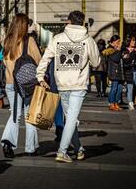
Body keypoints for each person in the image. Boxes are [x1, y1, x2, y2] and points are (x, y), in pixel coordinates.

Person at [36, 11, 100, 163]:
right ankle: (62, 151)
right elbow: (96, 62)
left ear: (69, 22)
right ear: (82, 22)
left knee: (70, 119)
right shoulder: (88, 40)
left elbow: (46, 58)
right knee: (71, 119)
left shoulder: (58, 38)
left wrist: (40, 75)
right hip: (79, 84)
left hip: (62, 84)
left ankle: (78, 149)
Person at [0, 13, 41, 158]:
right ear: (24, 25)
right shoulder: (28, 41)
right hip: (27, 84)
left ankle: (7, 142)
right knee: (30, 115)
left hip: (11, 83)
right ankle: (30, 148)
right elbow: (38, 60)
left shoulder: (7, 41)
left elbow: (4, 61)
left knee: (15, 115)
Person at [103, 35, 124, 111]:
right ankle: (111, 103)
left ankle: (116, 103)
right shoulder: (110, 49)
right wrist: (119, 50)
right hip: (113, 71)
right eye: (117, 42)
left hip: (119, 72)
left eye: (119, 41)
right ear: (113, 42)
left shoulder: (117, 49)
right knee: (114, 88)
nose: (119, 43)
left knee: (119, 89)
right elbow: (116, 59)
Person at [122, 36, 136, 110]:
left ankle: (135, 101)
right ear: (128, 42)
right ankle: (130, 103)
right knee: (130, 87)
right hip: (129, 71)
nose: (134, 42)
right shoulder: (125, 50)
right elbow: (126, 60)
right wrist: (134, 52)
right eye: (132, 41)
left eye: (134, 40)